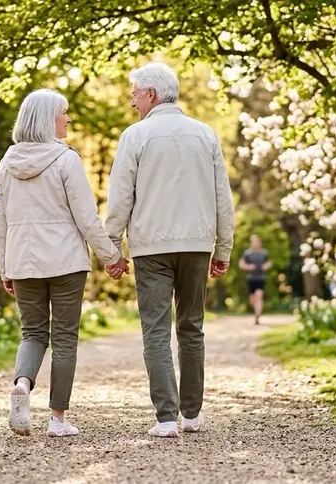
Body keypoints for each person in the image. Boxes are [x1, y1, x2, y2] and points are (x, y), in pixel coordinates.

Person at [105, 62, 235, 438]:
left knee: (156, 331)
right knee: (192, 327)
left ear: (151, 94)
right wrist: (223, 248)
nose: (133, 102)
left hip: (151, 248)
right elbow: (222, 198)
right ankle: (191, 414)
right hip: (196, 245)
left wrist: (112, 249)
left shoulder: (135, 136)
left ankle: (166, 418)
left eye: (135, 94)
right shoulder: (205, 134)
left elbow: (120, 197)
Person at [0, 89, 128, 437]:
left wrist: (5, 267)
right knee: (65, 338)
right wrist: (112, 256)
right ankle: (57, 419)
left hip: (22, 260)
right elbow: (87, 217)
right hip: (66, 261)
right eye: (63, 113)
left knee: (33, 333)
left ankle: (22, 384)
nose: (67, 119)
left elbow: (1, 222)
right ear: (46, 119)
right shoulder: (66, 159)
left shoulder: (7, 163)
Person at [239, 235, 272, 325]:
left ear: (260, 243)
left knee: (259, 296)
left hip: (260, 278)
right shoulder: (247, 253)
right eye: (254, 242)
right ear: (251, 243)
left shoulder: (264, 253)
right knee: (252, 300)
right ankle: (256, 310)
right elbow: (241, 264)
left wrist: (266, 266)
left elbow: (269, 263)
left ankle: (257, 316)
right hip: (251, 279)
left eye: (257, 242)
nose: (255, 244)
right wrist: (248, 267)